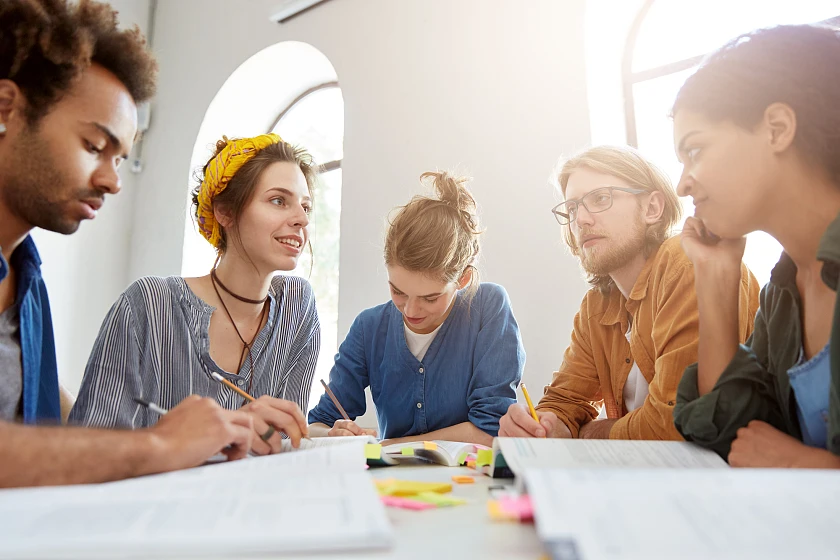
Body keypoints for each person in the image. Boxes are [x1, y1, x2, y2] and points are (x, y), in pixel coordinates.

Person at [0, 0, 253, 487]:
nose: (113, 182)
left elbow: (32, 416)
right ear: (6, 108)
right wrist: (154, 445)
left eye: (119, 159)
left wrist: (196, 435)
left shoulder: (27, 282)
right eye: (94, 146)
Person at [70, 134, 319, 455]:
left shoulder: (298, 307)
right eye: (278, 201)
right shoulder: (148, 305)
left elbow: (283, 442)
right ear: (224, 212)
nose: (302, 219)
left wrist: (324, 434)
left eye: (305, 206)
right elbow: (87, 454)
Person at [499, 145, 759, 440]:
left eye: (600, 198)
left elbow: (677, 423)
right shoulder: (597, 306)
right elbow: (564, 402)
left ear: (652, 208)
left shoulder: (688, 264)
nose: (580, 219)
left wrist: (590, 433)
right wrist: (541, 425)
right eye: (572, 209)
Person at [672, 24, 840, 468]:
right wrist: (714, 277)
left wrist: (803, 465)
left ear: (777, 128)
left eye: (695, 151)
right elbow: (736, 438)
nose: (682, 183)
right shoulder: (784, 294)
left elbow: (770, 456)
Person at [308, 172, 525, 446]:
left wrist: (388, 447)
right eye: (398, 291)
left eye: (430, 298)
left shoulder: (487, 307)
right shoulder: (368, 328)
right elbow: (316, 425)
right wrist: (332, 434)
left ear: (463, 279)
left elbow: (491, 430)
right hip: (390, 472)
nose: (410, 310)